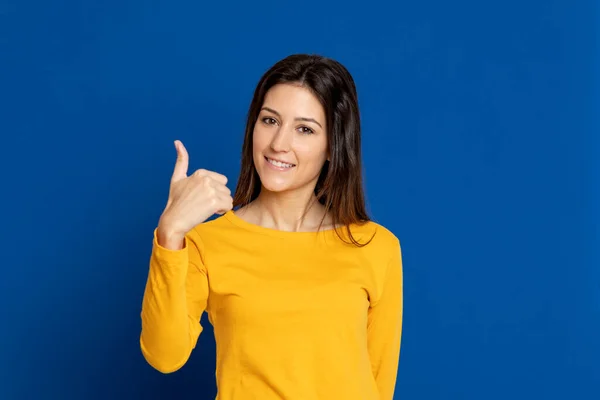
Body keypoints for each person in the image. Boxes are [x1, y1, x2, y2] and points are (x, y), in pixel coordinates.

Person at [139, 54, 403, 400]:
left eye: (304, 129)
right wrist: (170, 232)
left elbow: (379, 383)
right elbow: (164, 356)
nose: (279, 143)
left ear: (332, 147)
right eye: (269, 120)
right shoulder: (206, 243)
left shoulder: (375, 246)